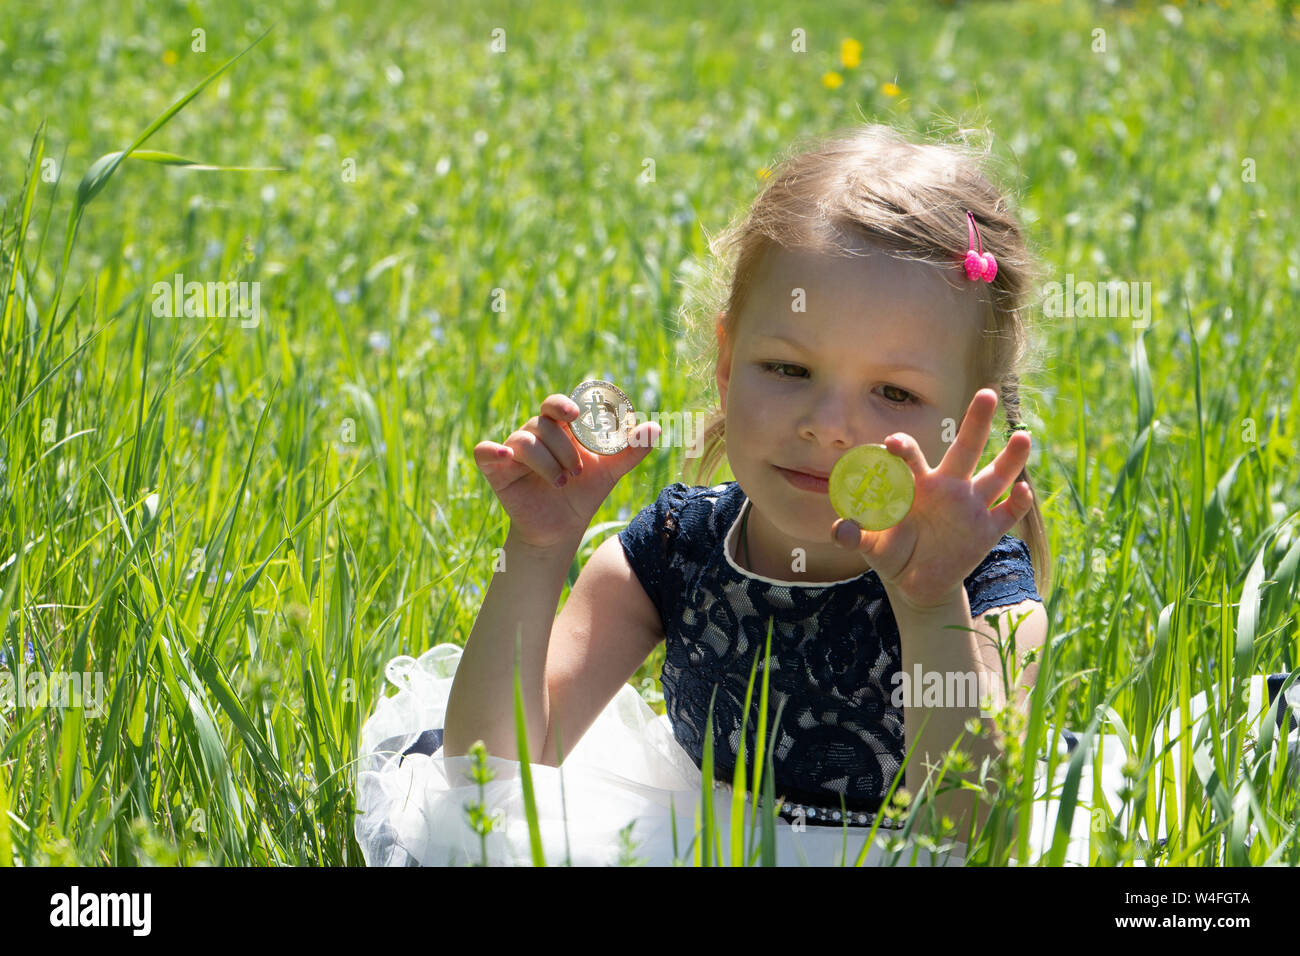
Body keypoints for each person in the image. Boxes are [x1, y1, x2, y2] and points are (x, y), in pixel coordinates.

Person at [353, 124, 1295, 866]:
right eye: (786, 367)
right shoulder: (671, 552)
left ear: (973, 417)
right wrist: (538, 552)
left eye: (893, 392)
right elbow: (487, 780)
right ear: (725, 363)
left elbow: (966, 831)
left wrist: (928, 604)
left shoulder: (980, 585)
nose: (830, 425)